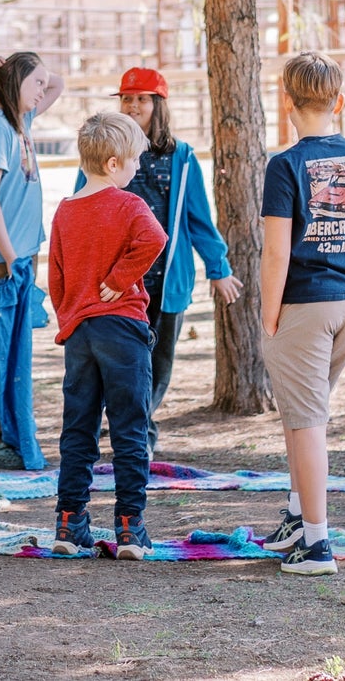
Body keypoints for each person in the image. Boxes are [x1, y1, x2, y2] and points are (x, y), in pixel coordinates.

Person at [258, 50, 345, 576]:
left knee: (308, 421)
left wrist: (269, 315)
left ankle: (316, 542)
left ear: (288, 101)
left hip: (306, 304)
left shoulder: (285, 165)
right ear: (339, 100)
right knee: (302, 411)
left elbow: (276, 252)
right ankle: (297, 515)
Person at [87, 66, 241, 454]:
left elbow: (198, 218)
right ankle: (130, 423)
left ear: (159, 104)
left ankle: (139, 432)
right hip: (117, 280)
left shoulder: (182, 157)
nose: (134, 105)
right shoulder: (101, 154)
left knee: (159, 360)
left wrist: (218, 268)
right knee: (120, 358)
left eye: (142, 99)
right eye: (127, 98)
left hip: (167, 278)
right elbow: (84, 208)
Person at [47, 111, 169, 559]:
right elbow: (156, 239)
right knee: (129, 428)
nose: (139, 167)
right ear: (114, 163)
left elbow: (56, 276)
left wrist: (68, 317)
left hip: (79, 332)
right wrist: (120, 279)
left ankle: (68, 521)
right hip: (123, 327)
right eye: (136, 159)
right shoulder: (131, 205)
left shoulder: (65, 211)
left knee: (77, 427)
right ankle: (129, 528)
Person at [0, 49, 66, 470]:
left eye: (41, 83)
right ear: (15, 83)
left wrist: (24, 71)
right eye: (35, 83)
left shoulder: (17, 119)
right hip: (1, 258)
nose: (43, 90)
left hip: (20, 253)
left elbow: (61, 84)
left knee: (7, 346)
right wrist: (9, 255)